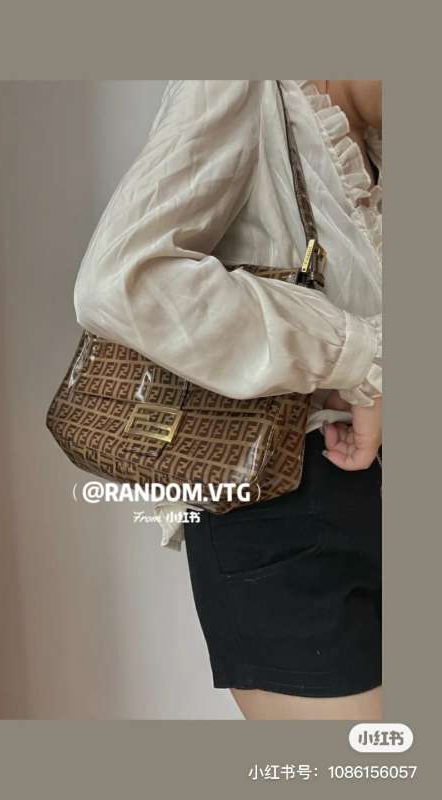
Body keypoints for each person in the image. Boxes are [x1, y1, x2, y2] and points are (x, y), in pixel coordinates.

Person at [73, 80, 382, 720]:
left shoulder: (377, 141)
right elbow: (122, 278)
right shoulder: (239, 80)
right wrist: (357, 356)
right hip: (276, 500)